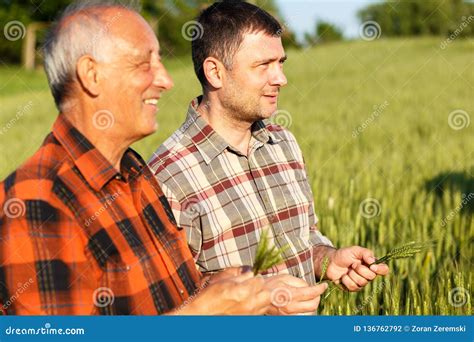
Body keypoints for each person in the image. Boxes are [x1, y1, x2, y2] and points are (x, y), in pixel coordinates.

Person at [0, 0, 326, 315]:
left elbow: (171, 297)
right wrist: (206, 313)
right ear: (91, 75)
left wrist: (235, 288)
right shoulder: (35, 203)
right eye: (145, 64)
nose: (166, 81)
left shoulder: (135, 174)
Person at [149, 1, 389, 294]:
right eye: (263, 65)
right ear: (214, 72)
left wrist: (326, 260)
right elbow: (170, 299)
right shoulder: (167, 175)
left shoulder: (283, 144)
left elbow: (305, 239)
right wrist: (260, 301)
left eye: (281, 63)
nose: (281, 79)